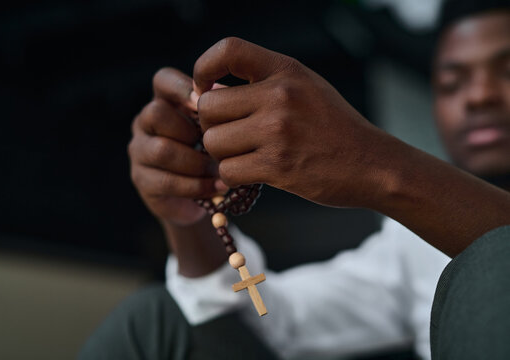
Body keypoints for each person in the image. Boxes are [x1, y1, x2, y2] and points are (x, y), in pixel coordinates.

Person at [79, 1, 510, 359]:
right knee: (154, 320)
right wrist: (189, 214)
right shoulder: (409, 245)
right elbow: (273, 322)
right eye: (452, 83)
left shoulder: (404, 198)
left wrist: (375, 164)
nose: (478, 96)